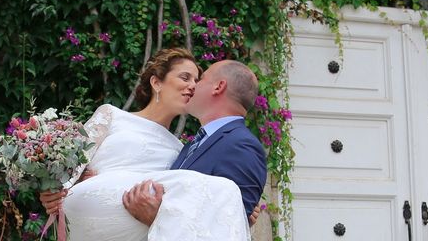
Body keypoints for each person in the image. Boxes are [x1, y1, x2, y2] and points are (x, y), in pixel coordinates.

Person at [40, 48, 265, 241]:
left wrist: (237, 212)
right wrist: (53, 191)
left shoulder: (181, 151)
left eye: (197, 80)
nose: (193, 86)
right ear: (156, 82)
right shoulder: (111, 116)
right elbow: (67, 169)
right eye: (185, 77)